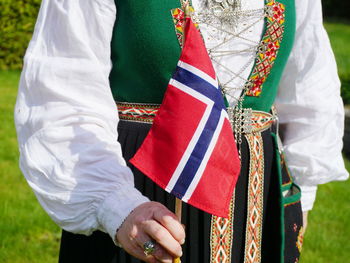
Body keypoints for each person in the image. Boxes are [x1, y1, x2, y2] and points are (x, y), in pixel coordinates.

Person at [14, 0, 348, 262]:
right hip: (142, 193)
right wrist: (117, 208)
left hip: (257, 204)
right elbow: (63, 95)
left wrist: (298, 203)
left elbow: (308, 85)